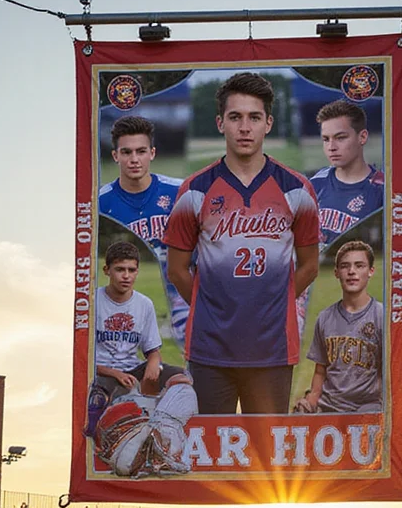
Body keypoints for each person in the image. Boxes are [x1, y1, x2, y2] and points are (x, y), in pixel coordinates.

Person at [165, 72, 320, 415]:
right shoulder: (194, 190)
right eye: (235, 117)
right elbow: (176, 269)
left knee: (266, 449)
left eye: (254, 117)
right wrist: (211, 308)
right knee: (209, 448)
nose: (245, 128)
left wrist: (275, 303)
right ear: (220, 123)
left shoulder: (297, 189)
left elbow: (310, 265)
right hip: (209, 350)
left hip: (273, 350)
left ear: (268, 123)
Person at [99, 116, 188, 347]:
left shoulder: (180, 191)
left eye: (141, 151)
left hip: (185, 291)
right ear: (115, 156)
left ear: (152, 153)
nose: (134, 159)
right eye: (126, 152)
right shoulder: (100, 203)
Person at [84, 241, 186, 436]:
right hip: (101, 372)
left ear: (137, 272)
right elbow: (83, 358)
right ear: (106, 270)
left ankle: (172, 431)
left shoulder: (144, 304)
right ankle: (98, 436)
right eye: (120, 269)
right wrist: (115, 374)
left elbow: (152, 350)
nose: (126, 276)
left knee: (181, 378)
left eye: (131, 270)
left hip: (132, 369)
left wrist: (153, 364)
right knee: (105, 399)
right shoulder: (92, 302)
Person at [294, 240, 382, 414]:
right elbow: (320, 371)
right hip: (329, 404)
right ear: (336, 273)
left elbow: (388, 373)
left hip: (367, 406)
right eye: (345, 266)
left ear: (371, 271)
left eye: (359, 266)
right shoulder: (325, 317)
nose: (351, 271)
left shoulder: (381, 315)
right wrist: (311, 399)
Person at [310, 100, 384, 247]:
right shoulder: (315, 183)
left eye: (340, 138)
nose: (331, 147)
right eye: (326, 139)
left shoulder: (382, 190)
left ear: (362, 137)